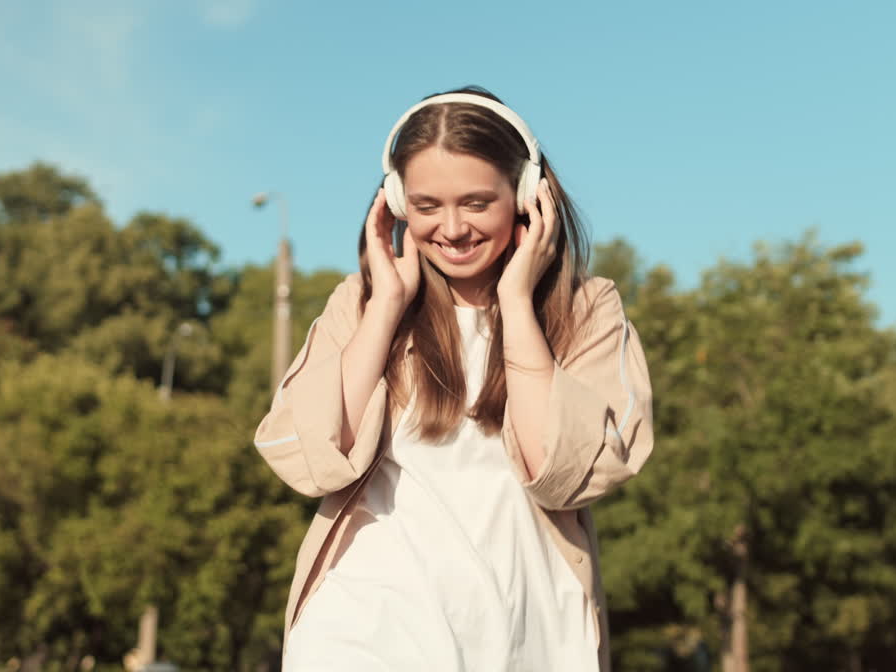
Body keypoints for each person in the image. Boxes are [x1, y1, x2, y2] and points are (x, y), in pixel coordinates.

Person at [253, 86, 654, 671]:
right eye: (426, 205)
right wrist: (385, 304)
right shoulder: (361, 304)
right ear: (395, 202)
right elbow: (308, 459)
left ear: (524, 196)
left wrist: (517, 304)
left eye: (475, 202)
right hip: (364, 631)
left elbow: (562, 475)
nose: (452, 228)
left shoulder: (587, 310)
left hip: (526, 632)